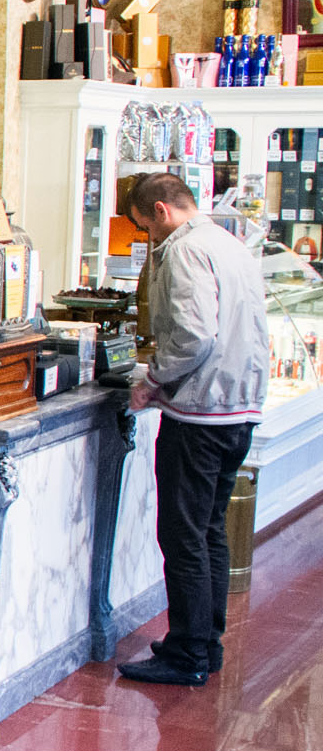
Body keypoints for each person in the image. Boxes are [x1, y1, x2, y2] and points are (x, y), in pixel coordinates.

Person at [119, 172, 270, 686]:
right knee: (208, 529)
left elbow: (193, 336)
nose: (147, 237)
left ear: (160, 211)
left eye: (143, 227)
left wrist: (153, 379)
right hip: (240, 410)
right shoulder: (228, 242)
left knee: (183, 534)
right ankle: (206, 641)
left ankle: (187, 656)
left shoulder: (184, 251)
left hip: (201, 415)